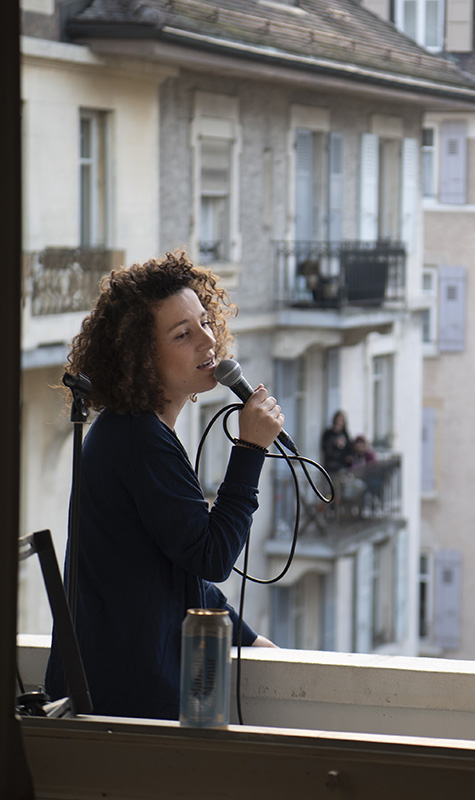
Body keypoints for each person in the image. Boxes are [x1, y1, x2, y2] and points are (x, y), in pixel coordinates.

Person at [44, 249, 281, 721]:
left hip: (123, 693)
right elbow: (210, 557)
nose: (207, 341)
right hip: (126, 707)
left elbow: (177, 567)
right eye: (182, 334)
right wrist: (250, 451)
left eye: (205, 322)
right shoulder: (139, 440)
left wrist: (249, 638)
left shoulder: (137, 431)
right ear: (142, 357)